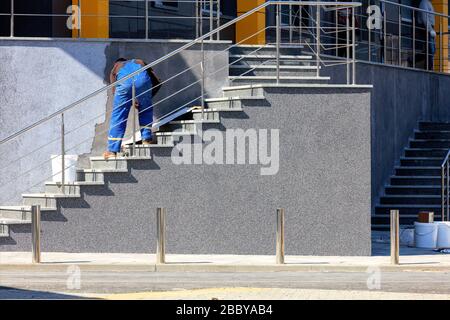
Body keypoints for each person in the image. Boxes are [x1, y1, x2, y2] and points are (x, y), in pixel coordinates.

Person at [104, 58, 154, 159]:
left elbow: (115, 88)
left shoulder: (117, 66)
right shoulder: (139, 61)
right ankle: (146, 139)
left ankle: (112, 151)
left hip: (124, 83)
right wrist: (142, 98)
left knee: (119, 115)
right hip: (143, 81)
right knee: (146, 109)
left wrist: (123, 102)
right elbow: (153, 77)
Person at [416, 0, 436, 70]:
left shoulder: (429, 3)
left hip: (430, 28)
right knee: (431, 50)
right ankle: (429, 68)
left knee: (432, 50)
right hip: (426, 28)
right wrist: (430, 29)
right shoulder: (424, 2)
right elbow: (424, 18)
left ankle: (412, 59)